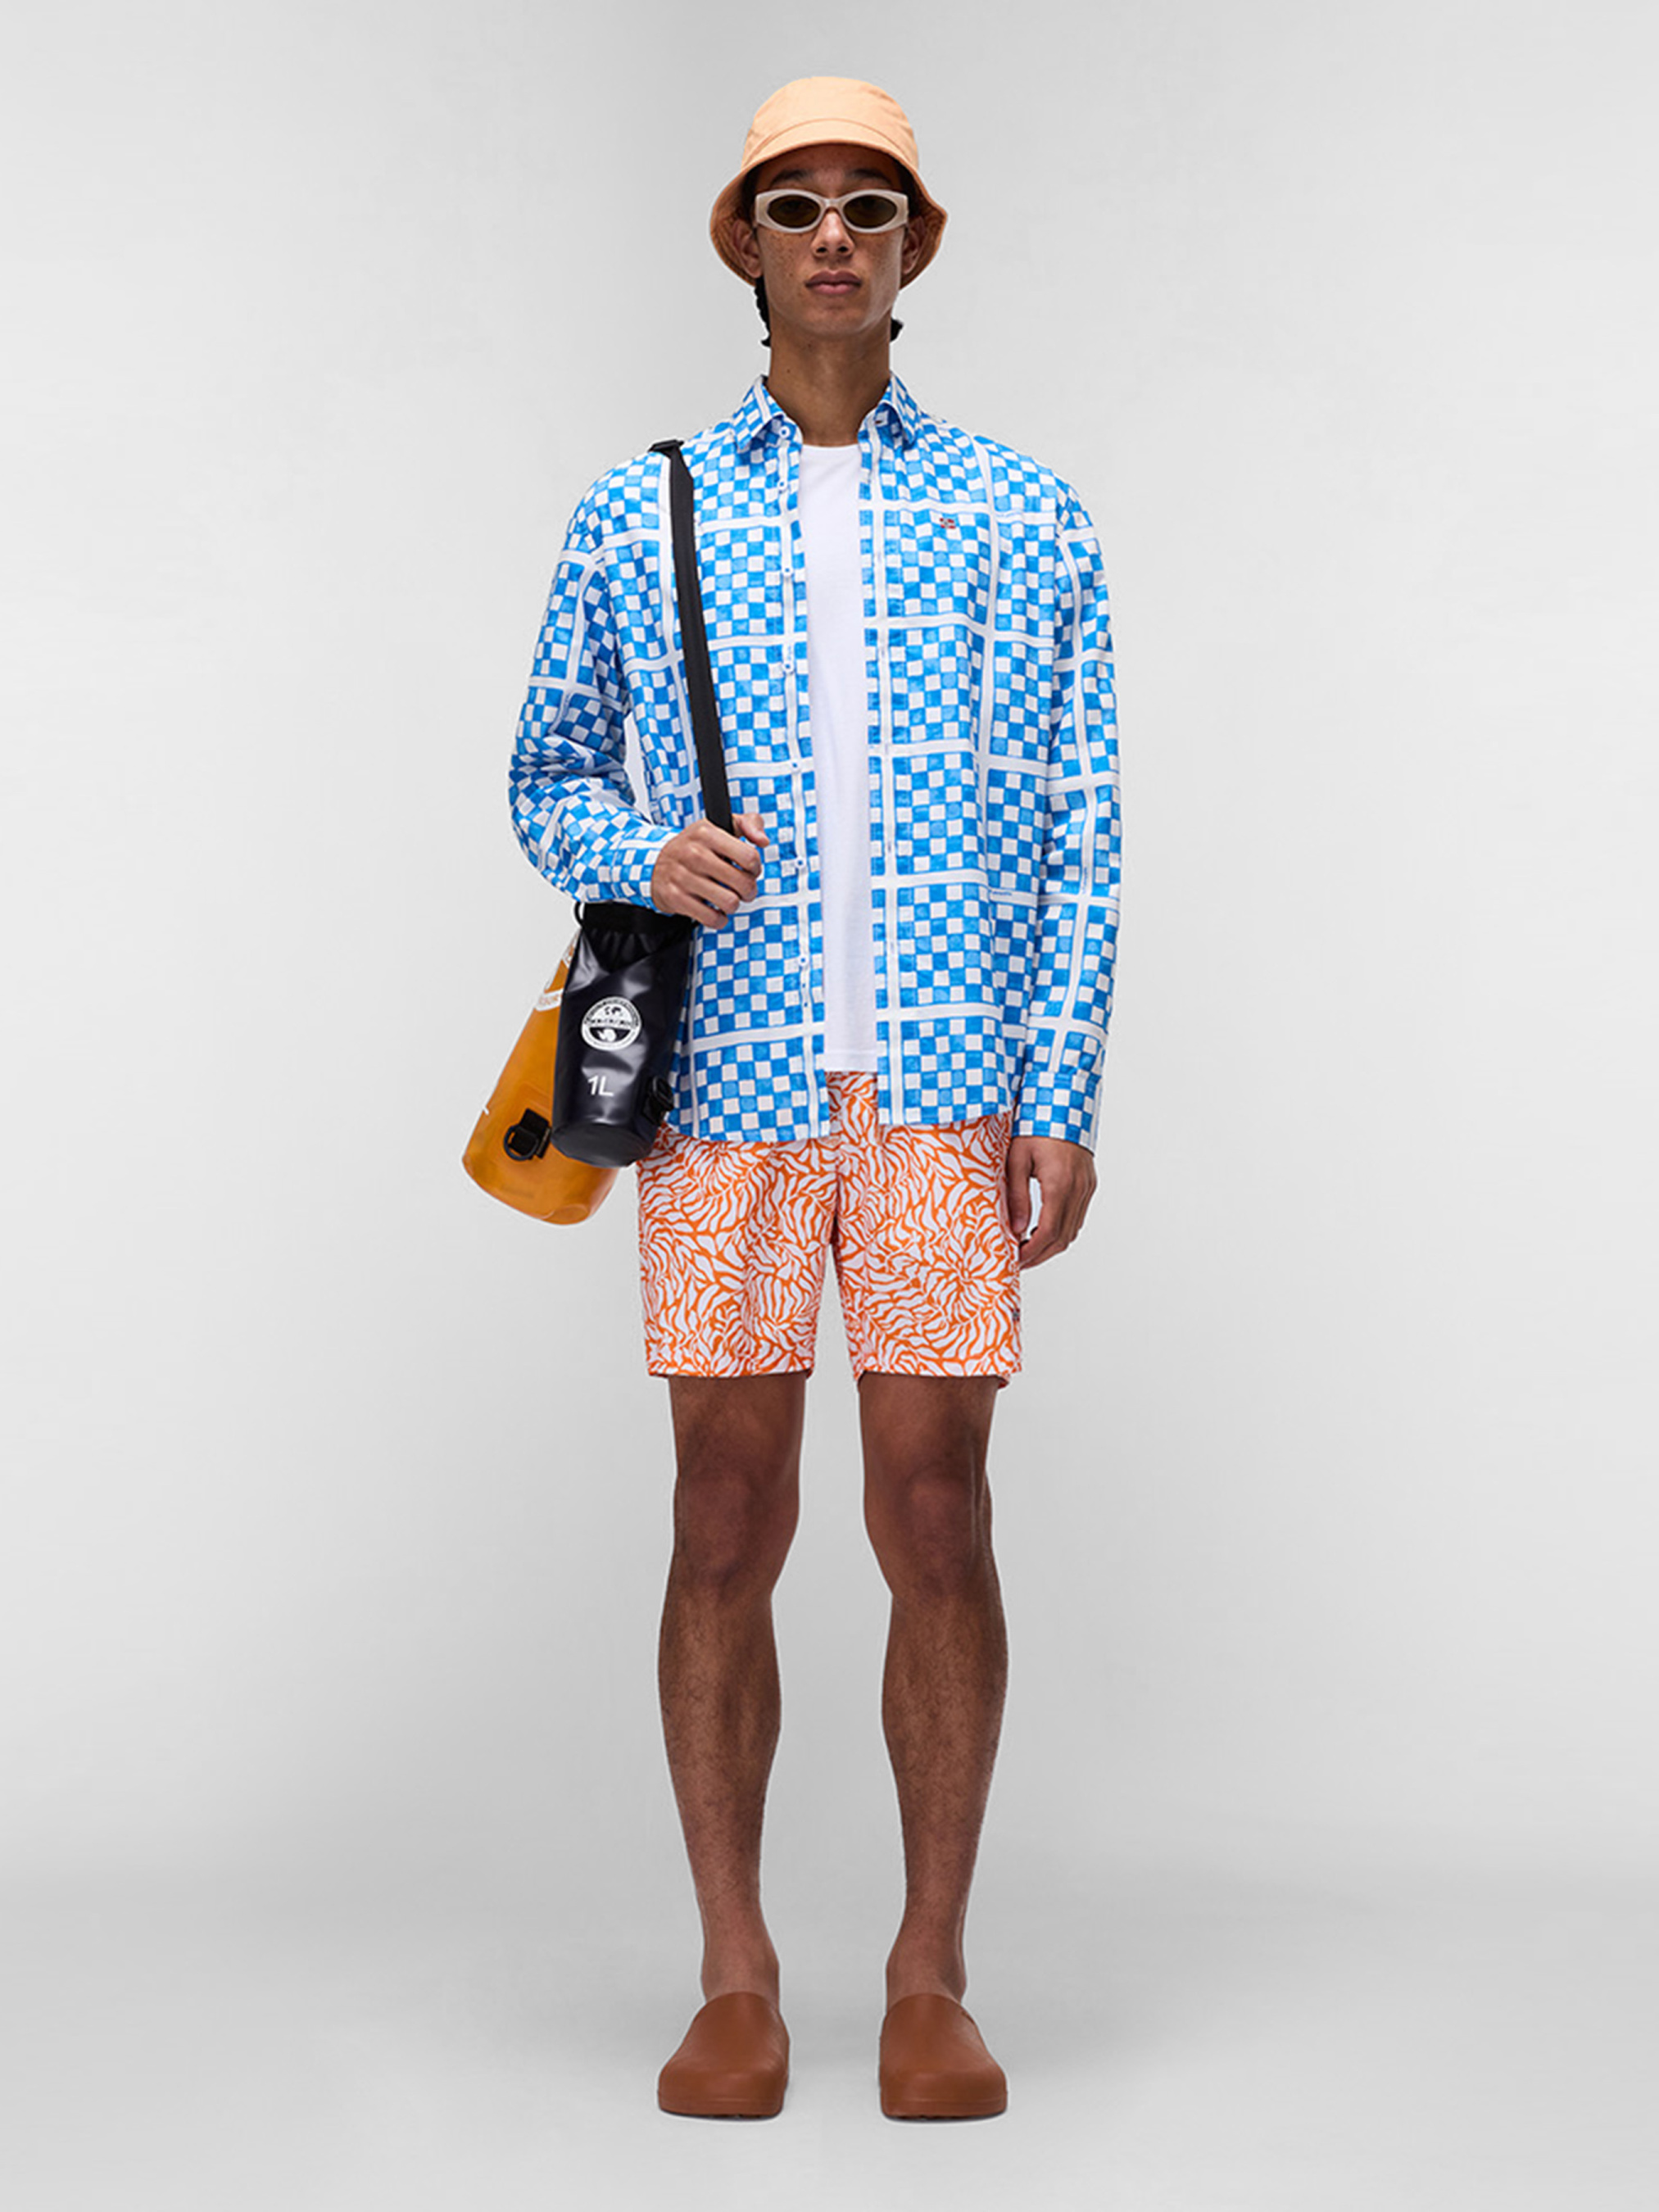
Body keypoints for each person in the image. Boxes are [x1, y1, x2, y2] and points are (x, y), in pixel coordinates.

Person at [508, 75, 1120, 2121]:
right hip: (725, 1085)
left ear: (915, 244)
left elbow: (1081, 821)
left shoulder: (1026, 512)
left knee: (935, 1508)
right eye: (797, 205)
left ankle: (929, 1972)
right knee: (722, 1513)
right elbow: (543, 774)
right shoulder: (642, 511)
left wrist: (1059, 1084)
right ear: (746, 244)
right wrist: (639, 850)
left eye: (870, 205)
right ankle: (735, 1974)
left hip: (945, 1085)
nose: (835, 235)